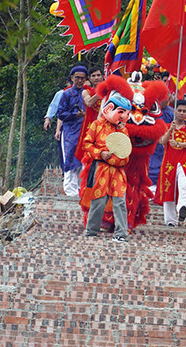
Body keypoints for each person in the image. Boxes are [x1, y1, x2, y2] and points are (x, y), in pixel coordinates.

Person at [81, 78, 133, 243]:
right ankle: (91, 230)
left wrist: (116, 161)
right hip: (101, 168)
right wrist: (100, 154)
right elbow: (86, 144)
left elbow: (126, 152)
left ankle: (121, 233)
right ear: (110, 108)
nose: (124, 117)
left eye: (126, 114)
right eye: (121, 112)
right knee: (98, 199)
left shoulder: (123, 131)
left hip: (117, 170)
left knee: (119, 201)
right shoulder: (96, 125)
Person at [154, 99, 186, 227]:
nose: (181, 113)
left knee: (183, 184)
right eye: (179, 110)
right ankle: (170, 220)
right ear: (175, 111)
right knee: (168, 188)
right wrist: (170, 130)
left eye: (184, 111)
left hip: (183, 160)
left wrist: (178, 144)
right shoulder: (167, 126)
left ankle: (183, 207)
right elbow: (162, 141)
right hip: (169, 161)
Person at [57, 65, 88, 196]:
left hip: (86, 132)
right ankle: (70, 192)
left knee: (84, 160)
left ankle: (82, 190)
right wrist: (75, 115)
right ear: (72, 78)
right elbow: (60, 113)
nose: (80, 81)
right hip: (69, 133)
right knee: (70, 159)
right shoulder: (66, 94)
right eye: (77, 78)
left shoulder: (89, 94)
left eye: (82, 78)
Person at [75, 66, 104, 163]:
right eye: (93, 76)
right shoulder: (86, 91)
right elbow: (89, 103)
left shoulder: (110, 91)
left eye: (98, 75)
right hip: (90, 126)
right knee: (88, 153)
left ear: (103, 77)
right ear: (90, 79)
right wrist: (101, 91)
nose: (96, 78)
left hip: (105, 126)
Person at [148, 91, 175, 188]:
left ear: (168, 98)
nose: (163, 101)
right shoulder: (151, 110)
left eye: (165, 98)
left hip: (166, 143)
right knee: (152, 164)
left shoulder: (172, 112)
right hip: (154, 141)